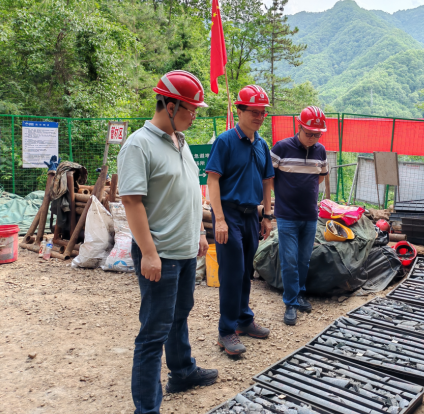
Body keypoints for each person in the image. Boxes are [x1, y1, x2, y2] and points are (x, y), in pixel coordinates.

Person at [118, 70, 218, 414]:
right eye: (191, 109)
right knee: (153, 333)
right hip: (160, 253)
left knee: (179, 315)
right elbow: (131, 201)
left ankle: (182, 372)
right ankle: (147, 408)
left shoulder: (181, 141)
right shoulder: (139, 145)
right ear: (170, 105)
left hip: (185, 250)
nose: (195, 115)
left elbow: (190, 191)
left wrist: (199, 233)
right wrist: (148, 253)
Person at [205, 84, 275, 356]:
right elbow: (213, 180)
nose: (259, 117)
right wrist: (219, 219)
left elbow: (267, 182)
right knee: (232, 273)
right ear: (240, 111)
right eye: (254, 111)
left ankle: (244, 320)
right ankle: (226, 331)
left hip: (251, 215)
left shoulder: (262, 144)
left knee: (246, 271)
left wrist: (266, 215)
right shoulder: (225, 141)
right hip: (229, 214)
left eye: (263, 112)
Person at [270, 106, 329, 325]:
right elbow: (269, 177)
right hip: (286, 215)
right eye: (309, 133)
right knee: (289, 260)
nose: (313, 138)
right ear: (299, 126)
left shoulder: (320, 151)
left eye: (317, 134)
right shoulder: (281, 148)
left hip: (310, 215)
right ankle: (291, 303)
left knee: (304, 259)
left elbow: (320, 177)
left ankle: (300, 293)